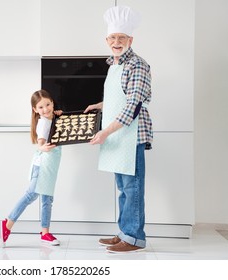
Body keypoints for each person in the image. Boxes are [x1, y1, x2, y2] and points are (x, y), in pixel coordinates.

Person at [84, 5, 153, 253]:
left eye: (121, 38)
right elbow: (120, 98)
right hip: (118, 135)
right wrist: (99, 105)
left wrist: (104, 132)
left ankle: (134, 238)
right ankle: (124, 232)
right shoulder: (114, 64)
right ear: (107, 40)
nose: (116, 41)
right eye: (112, 37)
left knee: (133, 188)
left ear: (130, 40)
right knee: (124, 188)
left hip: (130, 135)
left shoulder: (137, 64)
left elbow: (133, 105)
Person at [0, 89, 62, 247]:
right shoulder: (42, 124)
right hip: (43, 165)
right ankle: (7, 224)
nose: (46, 109)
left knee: (47, 199)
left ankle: (45, 233)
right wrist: (43, 148)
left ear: (52, 103)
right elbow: (40, 143)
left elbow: (54, 116)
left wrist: (58, 113)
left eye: (48, 104)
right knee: (31, 195)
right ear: (35, 110)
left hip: (51, 165)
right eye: (41, 107)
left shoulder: (51, 117)